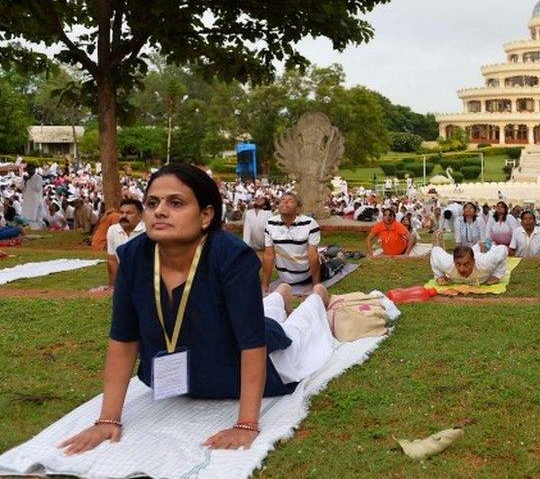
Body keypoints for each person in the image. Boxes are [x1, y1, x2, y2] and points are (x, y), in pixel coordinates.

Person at [59, 164, 335, 454]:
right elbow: (124, 338)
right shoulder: (133, 255)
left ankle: (316, 297)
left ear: (206, 215)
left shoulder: (232, 256)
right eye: (152, 203)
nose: (160, 211)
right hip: (184, 371)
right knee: (264, 309)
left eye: (175, 202)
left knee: (300, 330)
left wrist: (246, 424)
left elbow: (252, 342)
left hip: (258, 352)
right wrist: (107, 419)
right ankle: (281, 293)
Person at [261, 192, 321, 292]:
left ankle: (338, 257)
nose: (285, 203)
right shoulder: (270, 223)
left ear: (297, 208)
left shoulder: (310, 223)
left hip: (307, 275)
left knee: (333, 264)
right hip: (285, 278)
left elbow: (313, 256)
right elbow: (268, 255)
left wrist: (316, 285)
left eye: (290, 201)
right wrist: (265, 285)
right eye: (282, 201)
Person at [430, 229, 507, 285]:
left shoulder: (485, 263)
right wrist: (439, 276)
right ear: (454, 262)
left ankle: (481, 246)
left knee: (481, 250)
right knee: (437, 249)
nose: (462, 269)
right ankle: (438, 240)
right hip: (469, 255)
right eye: (458, 264)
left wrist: (497, 275)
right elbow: (434, 252)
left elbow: (502, 250)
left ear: (473, 262)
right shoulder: (448, 264)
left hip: (479, 257)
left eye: (466, 264)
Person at [105, 198, 146, 287]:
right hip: (124, 279)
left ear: (140, 215)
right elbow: (112, 260)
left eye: (129, 213)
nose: (124, 216)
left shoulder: (147, 231)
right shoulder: (113, 230)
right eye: (121, 213)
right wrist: (113, 286)